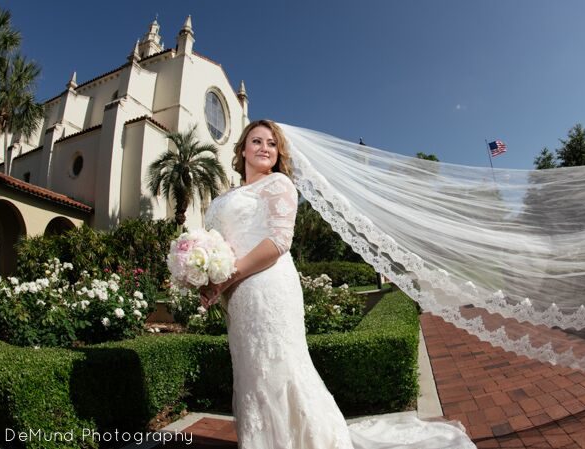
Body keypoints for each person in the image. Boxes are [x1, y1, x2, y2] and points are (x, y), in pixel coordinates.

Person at [201, 119, 476, 449]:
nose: (264, 148)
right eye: (257, 141)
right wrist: (205, 275)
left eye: (272, 144)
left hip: (267, 288)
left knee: (280, 368)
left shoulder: (278, 185)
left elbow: (278, 242)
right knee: (251, 373)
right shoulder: (228, 194)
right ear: (242, 149)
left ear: (278, 154)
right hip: (237, 299)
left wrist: (227, 277)